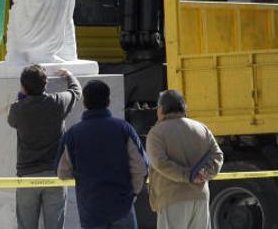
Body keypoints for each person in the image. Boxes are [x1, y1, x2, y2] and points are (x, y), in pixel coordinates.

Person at [57, 80, 148, 228]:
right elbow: (141, 167)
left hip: (91, 209)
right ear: (108, 101)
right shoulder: (124, 129)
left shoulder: (73, 135)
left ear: (84, 103)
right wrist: (132, 194)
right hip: (122, 206)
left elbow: (62, 172)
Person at [8, 65, 82, 229]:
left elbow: (11, 121)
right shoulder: (57, 102)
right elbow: (76, 91)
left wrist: (22, 97)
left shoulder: (17, 109)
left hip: (27, 177)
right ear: (45, 84)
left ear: (23, 86)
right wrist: (69, 75)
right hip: (54, 176)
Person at [146, 90, 224, 228]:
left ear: (162, 109)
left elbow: (160, 163)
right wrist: (204, 173)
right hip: (200, 197)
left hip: (172, 197)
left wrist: (187, 176)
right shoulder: (201, 128)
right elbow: (217, 155)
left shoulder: (157, 133)